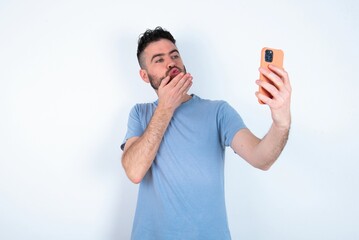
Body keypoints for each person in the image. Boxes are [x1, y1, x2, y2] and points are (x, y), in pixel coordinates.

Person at [121, 26, 291, 240]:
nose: (171, 62)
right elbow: (134, 171)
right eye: (159, 59)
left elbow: (262, 159)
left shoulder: (218, 111)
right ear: (144, 76)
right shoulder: (140, 113)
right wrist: (165, 107)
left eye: (175, 55)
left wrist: (281, 122)